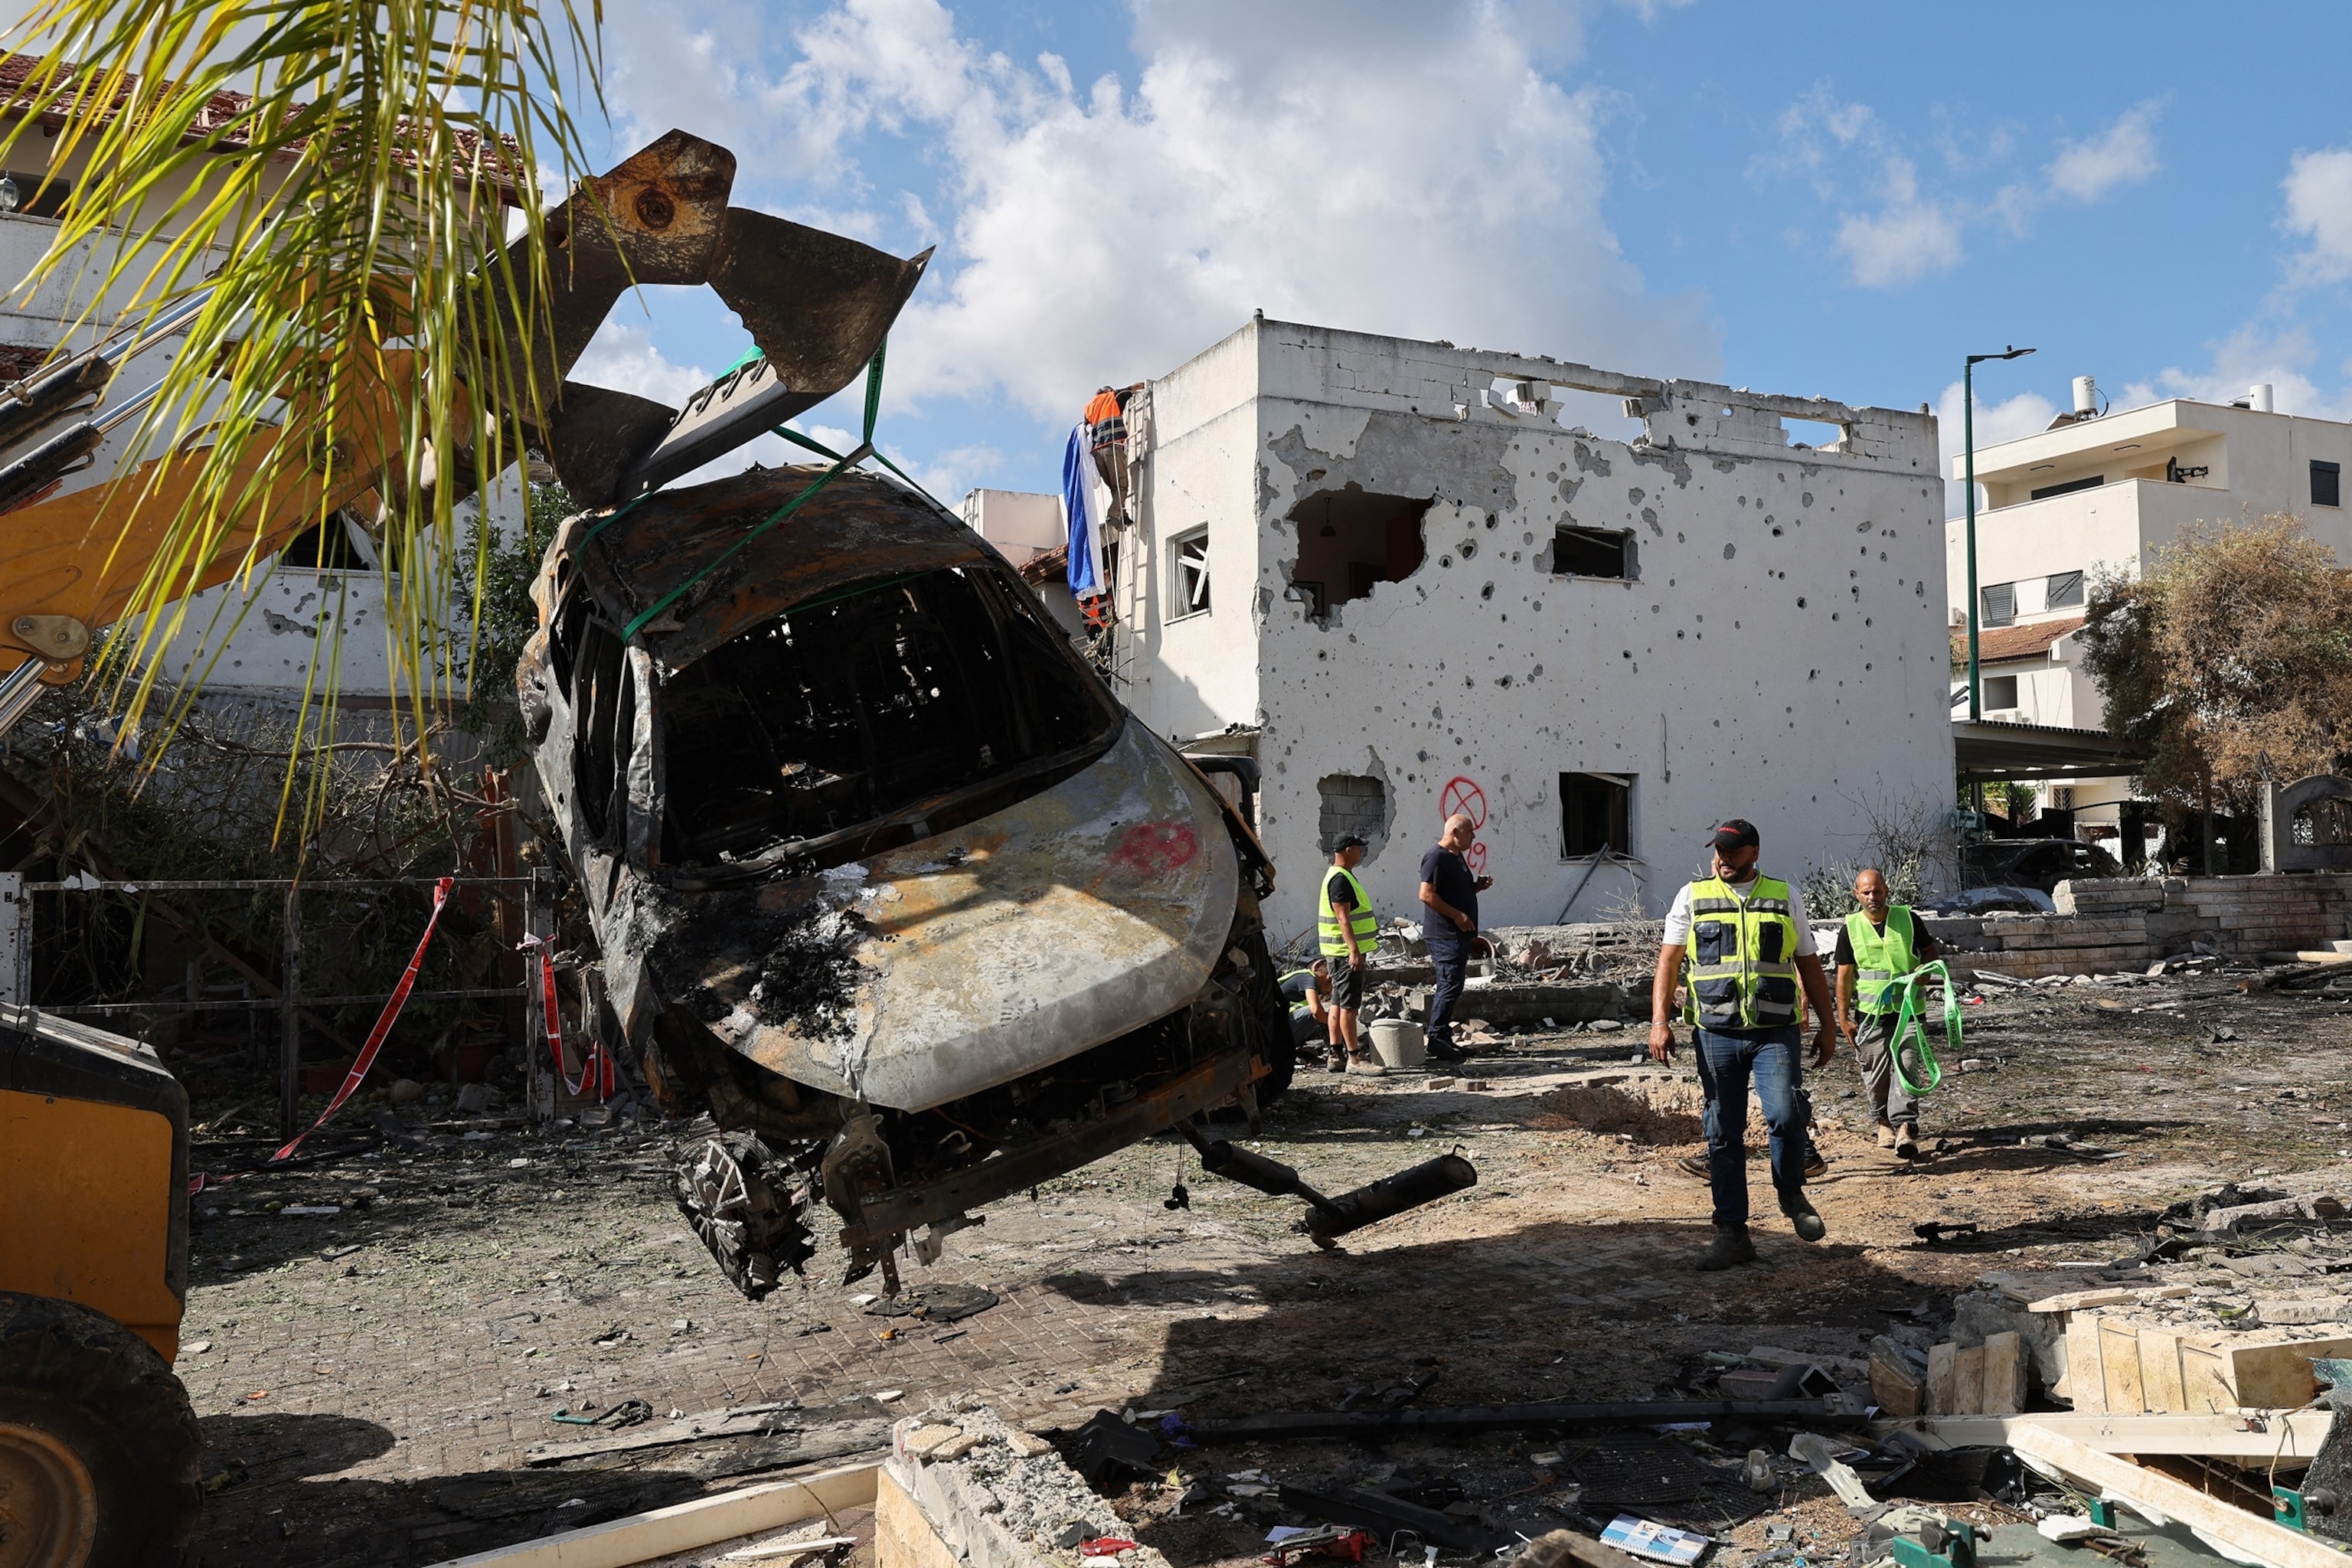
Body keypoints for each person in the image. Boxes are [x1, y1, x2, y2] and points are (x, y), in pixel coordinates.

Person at [1648, 818, 1839, 1270]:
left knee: (1786, 1114)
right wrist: (1659, 1021)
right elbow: (1668, 962)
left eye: (1733, 851)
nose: (1723, 859)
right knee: (1722, 1132)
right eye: (1718, 850)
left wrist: (1829, 1024)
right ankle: (1732, 1233)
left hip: (1776, 1030)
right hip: (1715, 1032)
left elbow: (1808, 963)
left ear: (1754, 852)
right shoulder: (1692, 895)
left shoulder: (1783, 895)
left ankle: (1791, 1194)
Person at [1834, 867, 1940, 1158]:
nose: (1872, 897)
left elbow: (1930, 952)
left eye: (1877, 891)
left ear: (1887, 891)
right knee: (1875, 1072)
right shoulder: (1851, 927)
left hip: (1909, 1012)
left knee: (1907, 1067)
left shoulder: (1908, 919)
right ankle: (1882, 1122)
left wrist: (1924, 970)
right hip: (1870, 1014)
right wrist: (1842, 1018)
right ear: (1857, 895)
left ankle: (1905, 1126)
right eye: (1866, 892)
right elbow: (1844, 976)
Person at [1418, 812, 1493, 1063]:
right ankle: (1437, 1039)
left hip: (1458, 935)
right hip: (1444, 934)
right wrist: (1458, 916)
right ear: (1455, 833)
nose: (1473, 837)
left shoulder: (1456, 856)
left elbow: (1455, 890)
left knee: (1455, 983)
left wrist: (1477, 887)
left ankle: (1444, 1037)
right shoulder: (1435, 857)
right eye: (1469, 832)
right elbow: (1427, 895)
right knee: (1449, 983)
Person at [1317, 835, 1385, 1076]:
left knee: (1337, 1003)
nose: (1361, 853)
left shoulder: (1339, 876)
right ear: (1348, 850)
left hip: (1337, 953)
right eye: (1359, 849)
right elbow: (1343, 918)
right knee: (1349, 1007)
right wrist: (1354, 952)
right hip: (1345, 954)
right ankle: (1355, 1059)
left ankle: (1335, 1054)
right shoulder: (1340, 880)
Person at [1279, 959, 1333, 1059]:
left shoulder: (1305, 978)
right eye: (1332, 987)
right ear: (1329, 978)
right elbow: (1316, 1011)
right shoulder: (1308, 978)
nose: (1329, 993)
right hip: (1275, 1027)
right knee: (1314, 1012)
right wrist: (1333, 1024)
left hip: (1277, 1025)